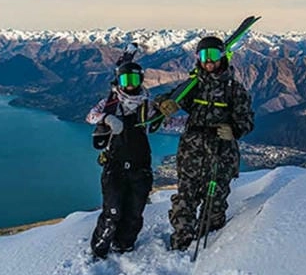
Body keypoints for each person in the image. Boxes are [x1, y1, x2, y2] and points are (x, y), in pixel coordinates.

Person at [156, 35, 254, 251]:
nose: (209, 61)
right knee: (185, 199)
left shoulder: (234, 89)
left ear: (223, 56)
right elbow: (166, 97)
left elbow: (247, 120)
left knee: (215, 204)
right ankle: (181, 241)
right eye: (204, 55)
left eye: (213, 55)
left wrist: (235, 130)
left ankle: (211, 248)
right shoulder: (193, 85)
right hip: (191, 153)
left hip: (220, 154)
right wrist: (166, 104)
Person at [86, 60, 159, 259]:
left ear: (141, 80)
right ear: (118, 80)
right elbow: (90, 116)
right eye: (125, 79)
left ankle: (124, 246)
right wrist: (106, 118)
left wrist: (187, 121)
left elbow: (162, 123)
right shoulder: (111, 103)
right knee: (112, 212)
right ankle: (99, 250)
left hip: (140, 166)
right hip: (114, 166)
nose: (129, 84)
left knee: (134, 212)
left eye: (134, 79)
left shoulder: (146, 105)